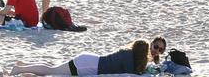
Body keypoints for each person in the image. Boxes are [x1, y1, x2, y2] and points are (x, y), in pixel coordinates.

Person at [10, 40, 150, 75]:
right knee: (51, 71)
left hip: (89, 60)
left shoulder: (126, 52)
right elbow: (130, 73)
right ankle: (18, 69)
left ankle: (24, 64)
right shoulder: (129, 58)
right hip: (88, 65)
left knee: (53, 68)